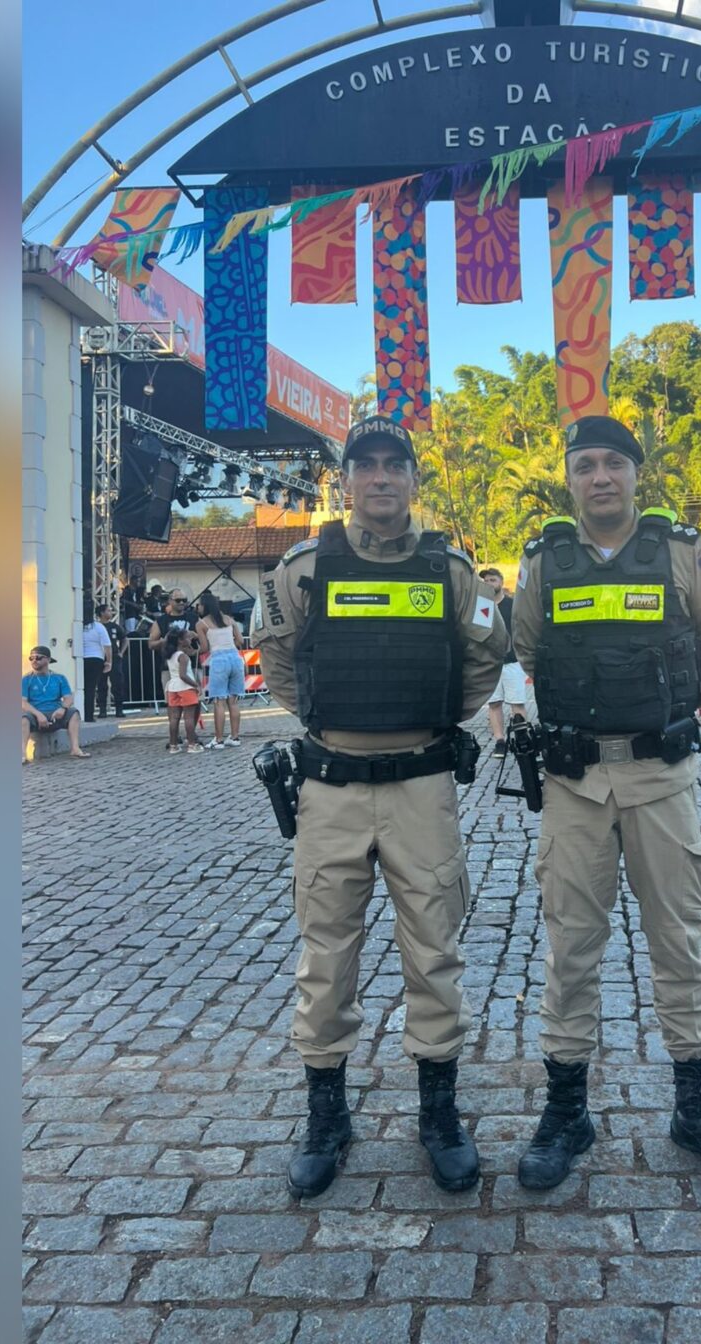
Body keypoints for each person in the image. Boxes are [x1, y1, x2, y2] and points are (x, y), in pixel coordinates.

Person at [254, 416, 507, 1200]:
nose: (381, 478)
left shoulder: (451, 571)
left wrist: (434, 718)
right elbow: (280, 660)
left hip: (421, 787)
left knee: (434, 950)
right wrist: (327, 720)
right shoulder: (303, 569)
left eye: (395, 465)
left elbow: (484, 658)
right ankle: (326, 1118)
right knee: (326, 957)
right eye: (366, 466)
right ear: (347, 481)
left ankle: (439, 1114)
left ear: (413, 480)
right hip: (329, 787)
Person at [510, 413, 701, 1193]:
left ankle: (698, 1108)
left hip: (661, 778)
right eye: (585, 465)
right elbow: (527, 649)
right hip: (575, 784)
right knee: (571, 949)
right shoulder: (543, 562)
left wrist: (666, 703)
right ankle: (566, 1113)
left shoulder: (682, 552)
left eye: (613, 464)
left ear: (634, 473)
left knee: (679, 943)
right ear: (569, 479)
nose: (600, 478)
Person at [475, 566, 529, 754]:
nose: (489, 584)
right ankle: (500, 741)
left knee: (517, 703)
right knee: (494, 703)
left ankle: (522, 738)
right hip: (490, 664)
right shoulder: (481, 607)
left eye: (493, 580)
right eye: (486, 581)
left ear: (501, 582)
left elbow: (523, 630)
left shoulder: (513, 606)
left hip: (512, 662)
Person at [196, 593, 250, 748]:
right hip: (235, 659)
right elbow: (240, 640)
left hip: (219, 661)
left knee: (219, 702)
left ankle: (218, 739)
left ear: (204, 606)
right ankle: (235, 737)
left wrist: (195, 649)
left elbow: (204, 647)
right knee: (233, 701)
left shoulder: (201, 624)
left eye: (199, 605)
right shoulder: (229, 619)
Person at [20, 647, 88, 761]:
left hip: (55, 714)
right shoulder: (26, 679)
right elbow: (23, 702)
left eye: (38, 658)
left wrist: (62, 708)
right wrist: (38, 715)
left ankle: (75, 749)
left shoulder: (59, 678)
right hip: (35, 715)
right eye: (31, 658)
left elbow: (69, 698)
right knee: (23, 718)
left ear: (48, 659)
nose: (34, 660)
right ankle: (22, 754)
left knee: (74, 713)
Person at [162, 631, 204, 753]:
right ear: (180, 641)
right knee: (189, 718)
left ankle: (173, 745)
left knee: (174, 718)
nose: (190, 640)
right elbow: (183, 675)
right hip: (185, 687)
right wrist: (196, 685)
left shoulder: (171, 656)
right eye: (187, 638)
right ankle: (191, 744)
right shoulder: (183, 657)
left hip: (172, 687)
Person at [78, 606, 115, 720]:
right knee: (91, 688)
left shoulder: (78, 626)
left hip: (80, 658)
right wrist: (109, 661)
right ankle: (89, 715)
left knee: (80, 687)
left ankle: (80, 713)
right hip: (96, 658)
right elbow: (107, 645)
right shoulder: (99, 627)